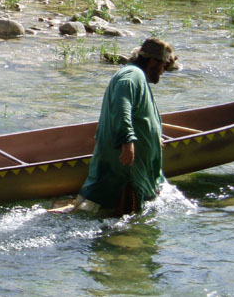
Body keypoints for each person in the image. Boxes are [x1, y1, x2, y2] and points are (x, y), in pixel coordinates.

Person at [75, 37, 177, 216]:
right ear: (153, 61)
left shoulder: (138, 77)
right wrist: (127, 140)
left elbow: (138, 115)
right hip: (126, 166)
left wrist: (153, 137)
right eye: (164, 66)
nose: (163, 72)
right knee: (119, 219)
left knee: (128, 218)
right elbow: (122, 105)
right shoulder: (131, 76)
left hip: (134, 164)